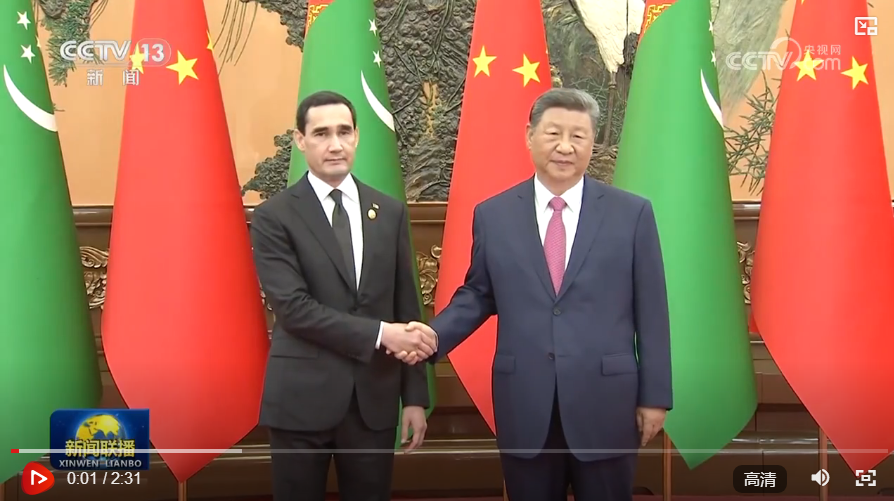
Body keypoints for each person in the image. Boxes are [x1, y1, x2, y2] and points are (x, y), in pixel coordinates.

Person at [403, 88, 673, 501]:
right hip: (526, 403)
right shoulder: (494, 215)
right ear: (530, 136)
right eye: (553, 134)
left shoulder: (631, 214)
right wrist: (434, 336)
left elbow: (652, 311)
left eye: (578, 136)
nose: (565, 146)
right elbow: (478, 294)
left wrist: (655, 397)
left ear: (592, 143)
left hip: (606, 404)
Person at [250, 90, 438, 501]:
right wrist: (381, 334)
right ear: (300, 140)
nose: (335, 144)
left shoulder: (389, 212)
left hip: (374, 402)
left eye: (344, 132)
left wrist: (414, 398)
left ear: (357, 136)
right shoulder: (274, 217)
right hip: (300, 402)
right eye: (321, 134)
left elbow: (407, 307)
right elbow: (294, 310)